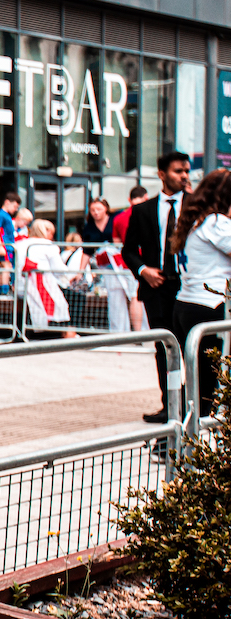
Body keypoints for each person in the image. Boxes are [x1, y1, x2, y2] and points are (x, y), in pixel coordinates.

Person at [123, 152, 193, 422]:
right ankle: (170, 406)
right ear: (162, 174)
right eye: (178, 171)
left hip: (190, 287)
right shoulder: (143, 210)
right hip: (157, 287)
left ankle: (193, 404)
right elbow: (129, 250)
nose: (184, 176)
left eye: (186, 171)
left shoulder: (197, 207)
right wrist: (143, 271)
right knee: (165, 348)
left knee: (192, 347)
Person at [170, 168, 231, 412]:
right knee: (208, 385)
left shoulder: (195, 221)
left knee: (197, 383)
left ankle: (176, 441)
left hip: (187, 304)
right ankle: (177, 444)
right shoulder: (216, 222)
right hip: (209, 306)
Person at [20, 219, 73, 336]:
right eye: (51, 233)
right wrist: (70, 273)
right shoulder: (48, 246)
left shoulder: (20, 244)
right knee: (64, 302)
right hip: (42, 284)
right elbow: (59, 269)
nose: (52, 236)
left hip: (22, 285)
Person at [112, 185, 149, 331]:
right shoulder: (146, 214)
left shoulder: (119, 218)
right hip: (143, 262)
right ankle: (140, 332)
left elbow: (116, 243)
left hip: (125, 263)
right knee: (137, 298)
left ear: (129, 199)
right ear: (146, 197)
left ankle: (134, 332)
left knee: (125, 299)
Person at [0, 191, 21, 297]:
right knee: (6, 267)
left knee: (3, 267)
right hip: (5, 245)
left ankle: (1, 290)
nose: (15, 209)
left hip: (6, 245)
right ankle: (4, 291)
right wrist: (0, 245)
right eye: (14, 206)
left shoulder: (4, 215)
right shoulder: (2, 215)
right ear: (7, 202)